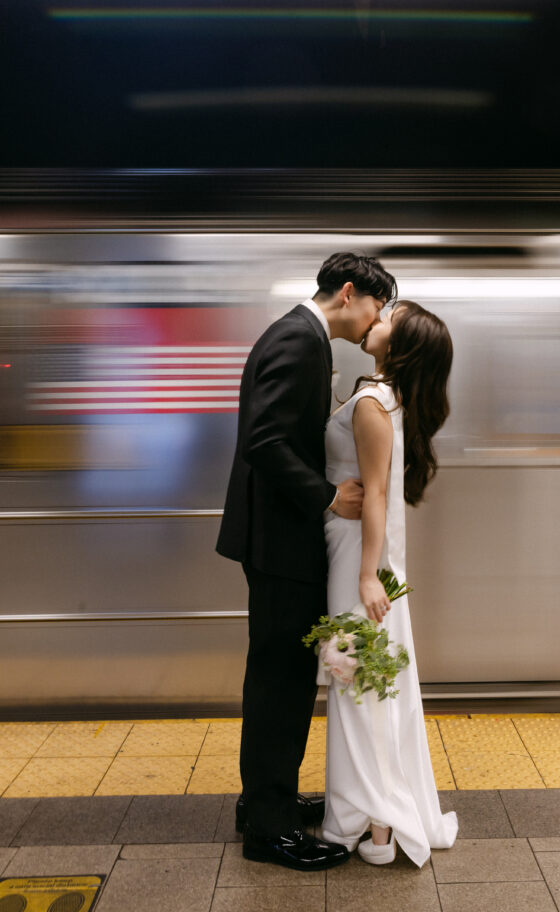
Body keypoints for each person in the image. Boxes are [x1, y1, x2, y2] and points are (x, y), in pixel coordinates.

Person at [216, 252, 397, 871]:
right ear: (350, 293)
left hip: (276, 536)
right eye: (377, 305)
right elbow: (264, 439)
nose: (377, 319)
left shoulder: (298, 335)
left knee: (281, 676)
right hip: (279, 540)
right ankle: (267, 827)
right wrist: (325, 496)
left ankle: (266, 801)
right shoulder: (299, 339)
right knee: (281, 681)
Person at [320, 300, 459, 867]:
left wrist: (367, 576)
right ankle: (371, 818)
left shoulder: (374, 405)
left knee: (357, 681)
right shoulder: (383, 400)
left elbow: (374, 493)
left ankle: (377, 826)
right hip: (359, 551)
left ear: (397, 347)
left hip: (358, 555)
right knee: (363, 682)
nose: (373, 322)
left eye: (385, 321)